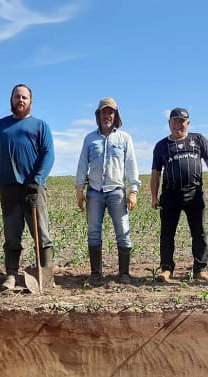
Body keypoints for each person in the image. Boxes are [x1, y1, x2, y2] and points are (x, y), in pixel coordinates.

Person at [0, 83, 55, 291]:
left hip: (34, 188)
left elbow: (48, 154)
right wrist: (10, 168)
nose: (20, 100)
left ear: (30, 102)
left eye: (24, 97)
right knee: (11, 233)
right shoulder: (0, 126)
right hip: (9, 187)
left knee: (41, 233)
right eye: (17, 97)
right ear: (11, 100)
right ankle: (11, 274)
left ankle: (45, 273)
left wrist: (37, 179)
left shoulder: (40, 126)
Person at [75, 97, 140, 285]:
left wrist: (133, 190)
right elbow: (82, 165)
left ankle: (124, 273)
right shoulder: (90, 139)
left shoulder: (124, 138)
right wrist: (80, 189)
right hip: (94, 192)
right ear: (98, 115)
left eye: (110, 112)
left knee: (123, 230)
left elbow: (131, 165)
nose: (107, 115)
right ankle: (96, 273)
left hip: (116, 192)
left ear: (116, 115)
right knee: (94, 231)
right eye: (104, 112)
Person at [149, 107, 208, 282]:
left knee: (199, 232)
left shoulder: (198, 139)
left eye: (182, 121)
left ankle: (200, 269)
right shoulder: (161, 146)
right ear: (169, 123)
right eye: (175, 121)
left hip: (194, 193)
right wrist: (153, 196)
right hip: (170, 195)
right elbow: (156, 173)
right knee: (167, 233)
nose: (178, 124)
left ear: (188, 123)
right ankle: (166, 269)